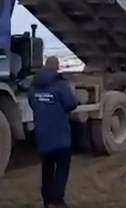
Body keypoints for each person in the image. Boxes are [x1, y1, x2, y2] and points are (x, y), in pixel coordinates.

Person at [28, 55, 79, 208]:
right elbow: (71, 104)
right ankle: (57, 199)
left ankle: (47, 199)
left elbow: (32, 102)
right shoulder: (60, 85)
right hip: (60, 136)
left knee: (47, 167)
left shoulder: (35, 85)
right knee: (62, 167)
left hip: (43, 136)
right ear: (57, 67)